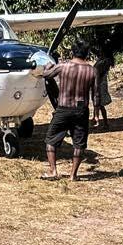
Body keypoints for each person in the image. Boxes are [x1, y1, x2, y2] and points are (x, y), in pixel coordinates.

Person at [39, 39, 99, 181]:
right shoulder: (92, 71)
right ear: (87, 53)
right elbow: (96, 95)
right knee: (79, 143)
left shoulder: (63, 66)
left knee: (51, 140)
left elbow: (46, 75)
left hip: (64, 108)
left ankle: (53, 171)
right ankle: (73, 175)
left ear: (72, 52)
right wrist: (96, 115)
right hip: (81, 110)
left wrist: (47, 66)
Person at [92, 45, 113, 129]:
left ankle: (103, 122)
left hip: (99, 83)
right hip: (99, 82)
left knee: (99, 104)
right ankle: (97, 120)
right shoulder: (103, 60)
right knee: (96, 103)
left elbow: (98, 73)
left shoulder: (104, 61)